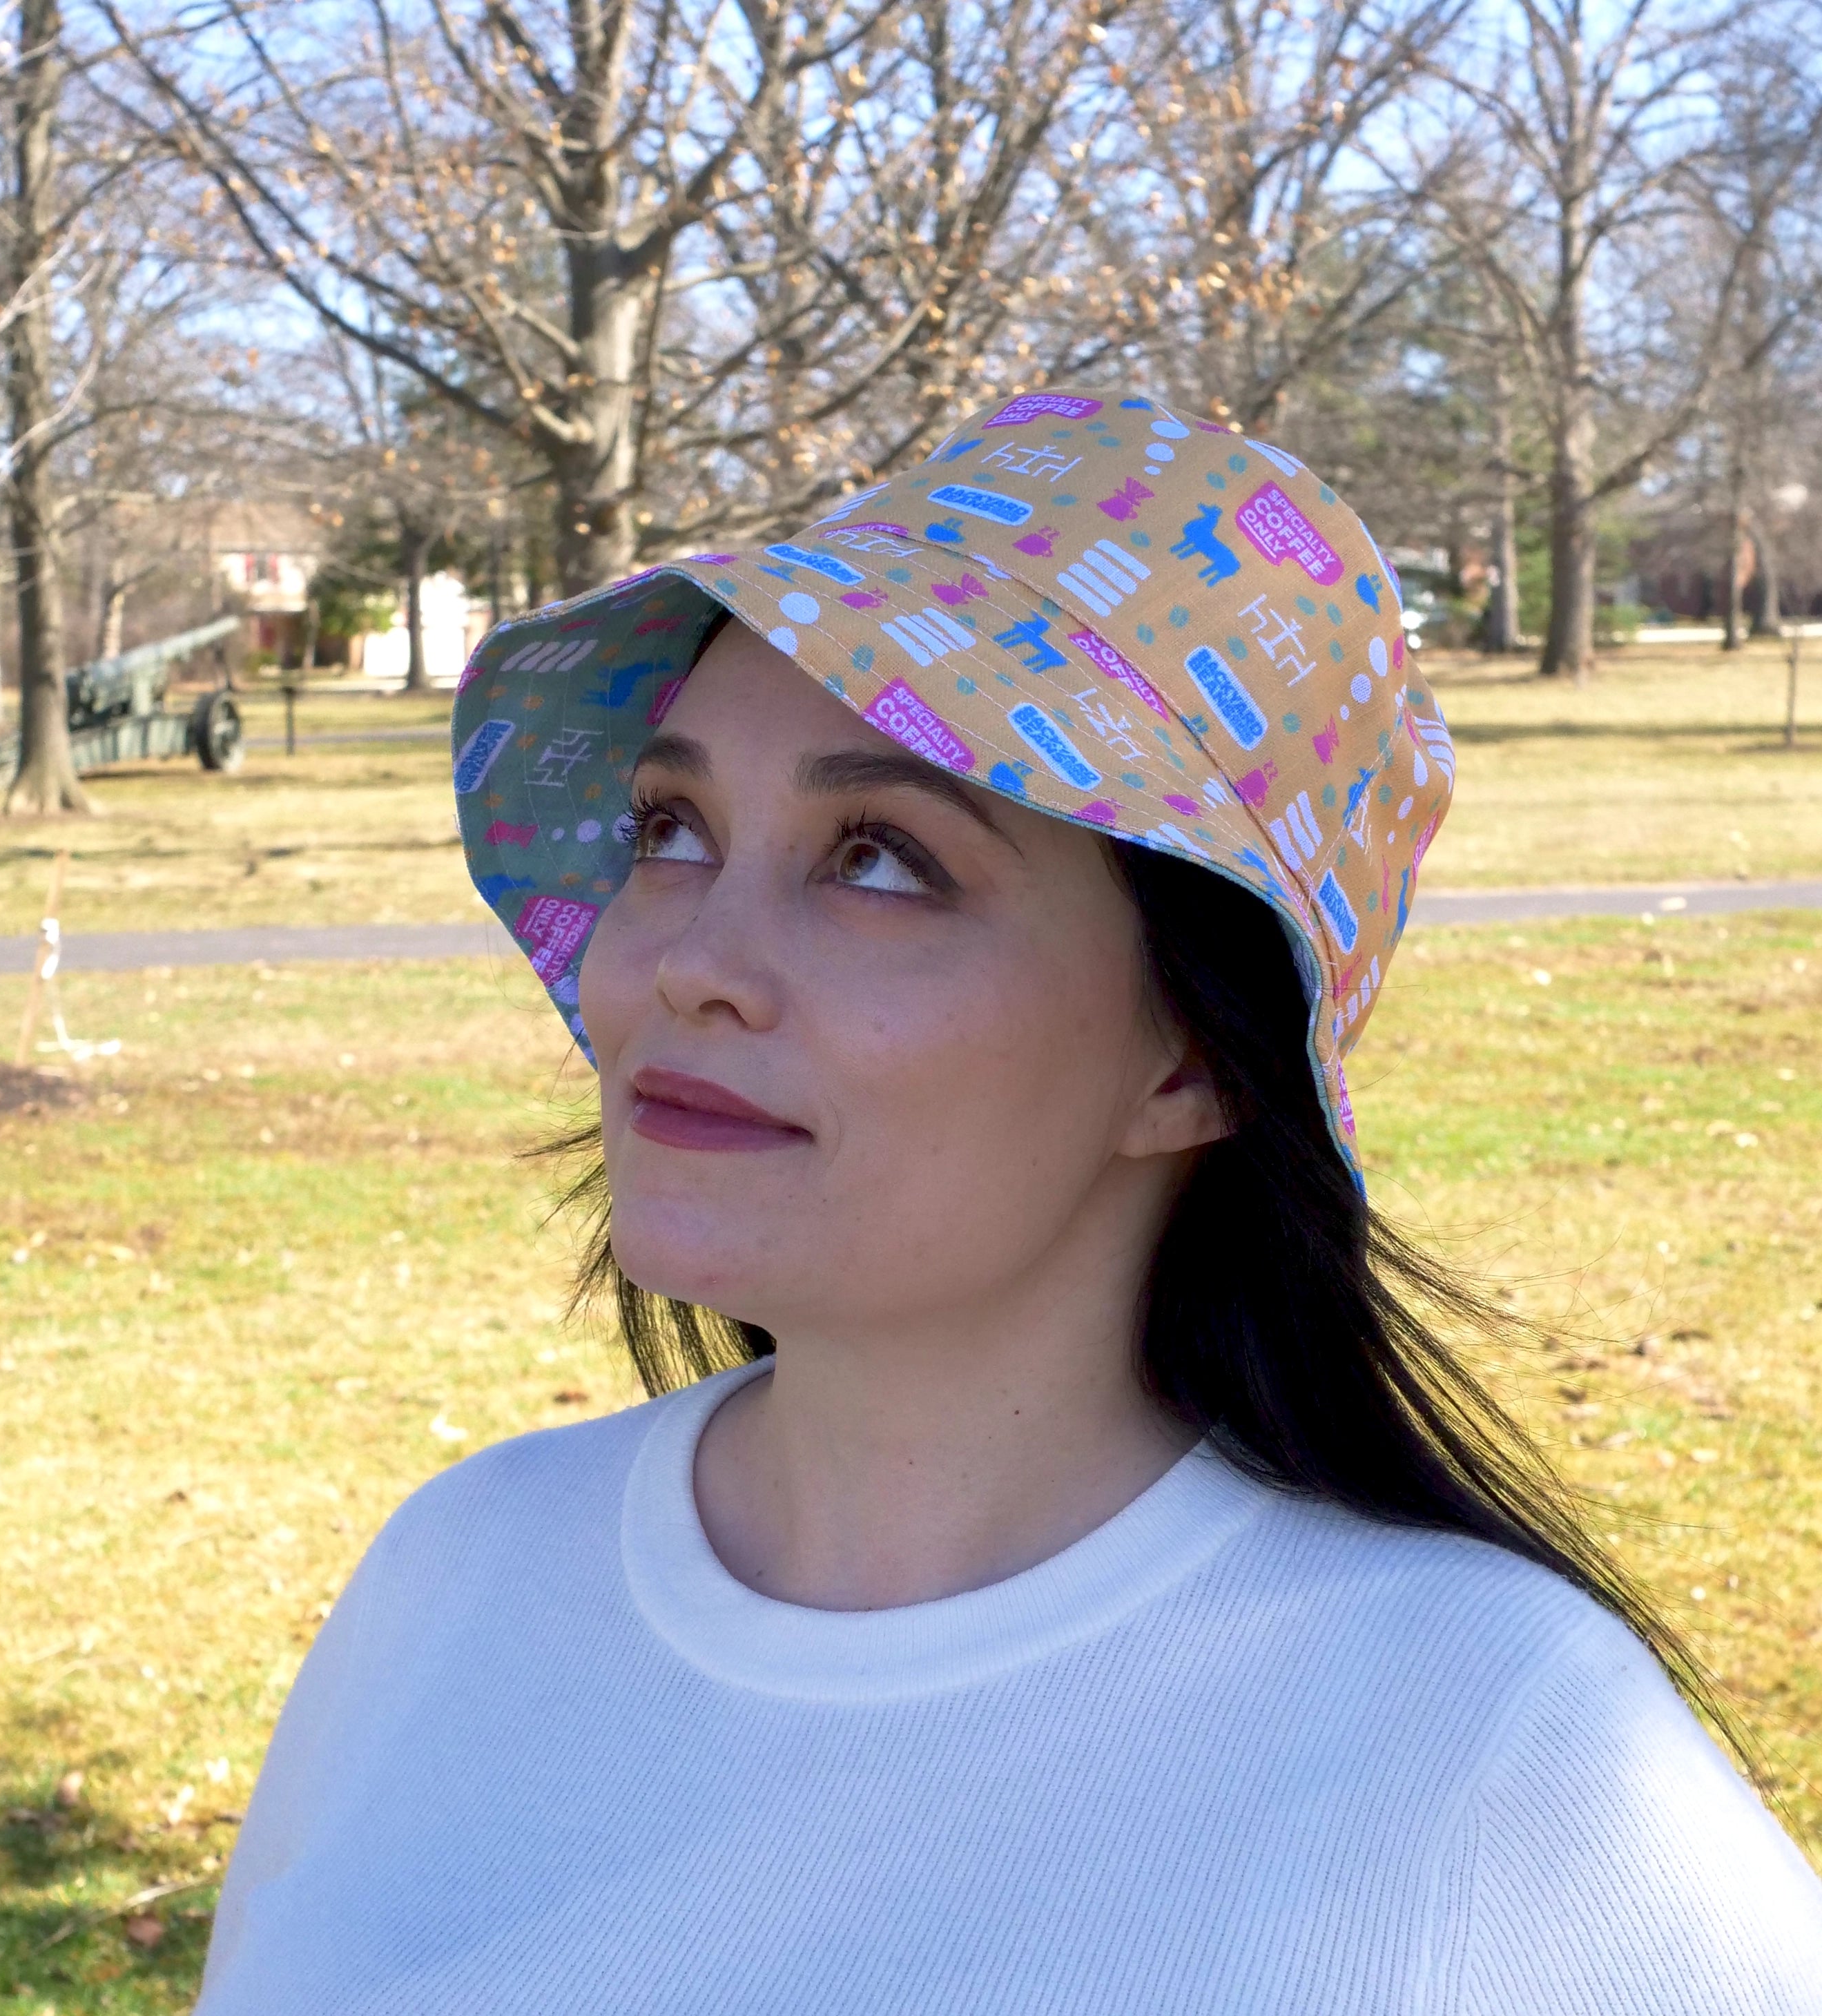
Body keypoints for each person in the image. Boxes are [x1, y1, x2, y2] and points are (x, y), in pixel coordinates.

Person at [196, 390, 1822, 2013]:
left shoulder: (1503, 1766)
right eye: (669, 827)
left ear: (1193, 1057)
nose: (686, 961)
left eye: (877, 857)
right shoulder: (456, 1573)